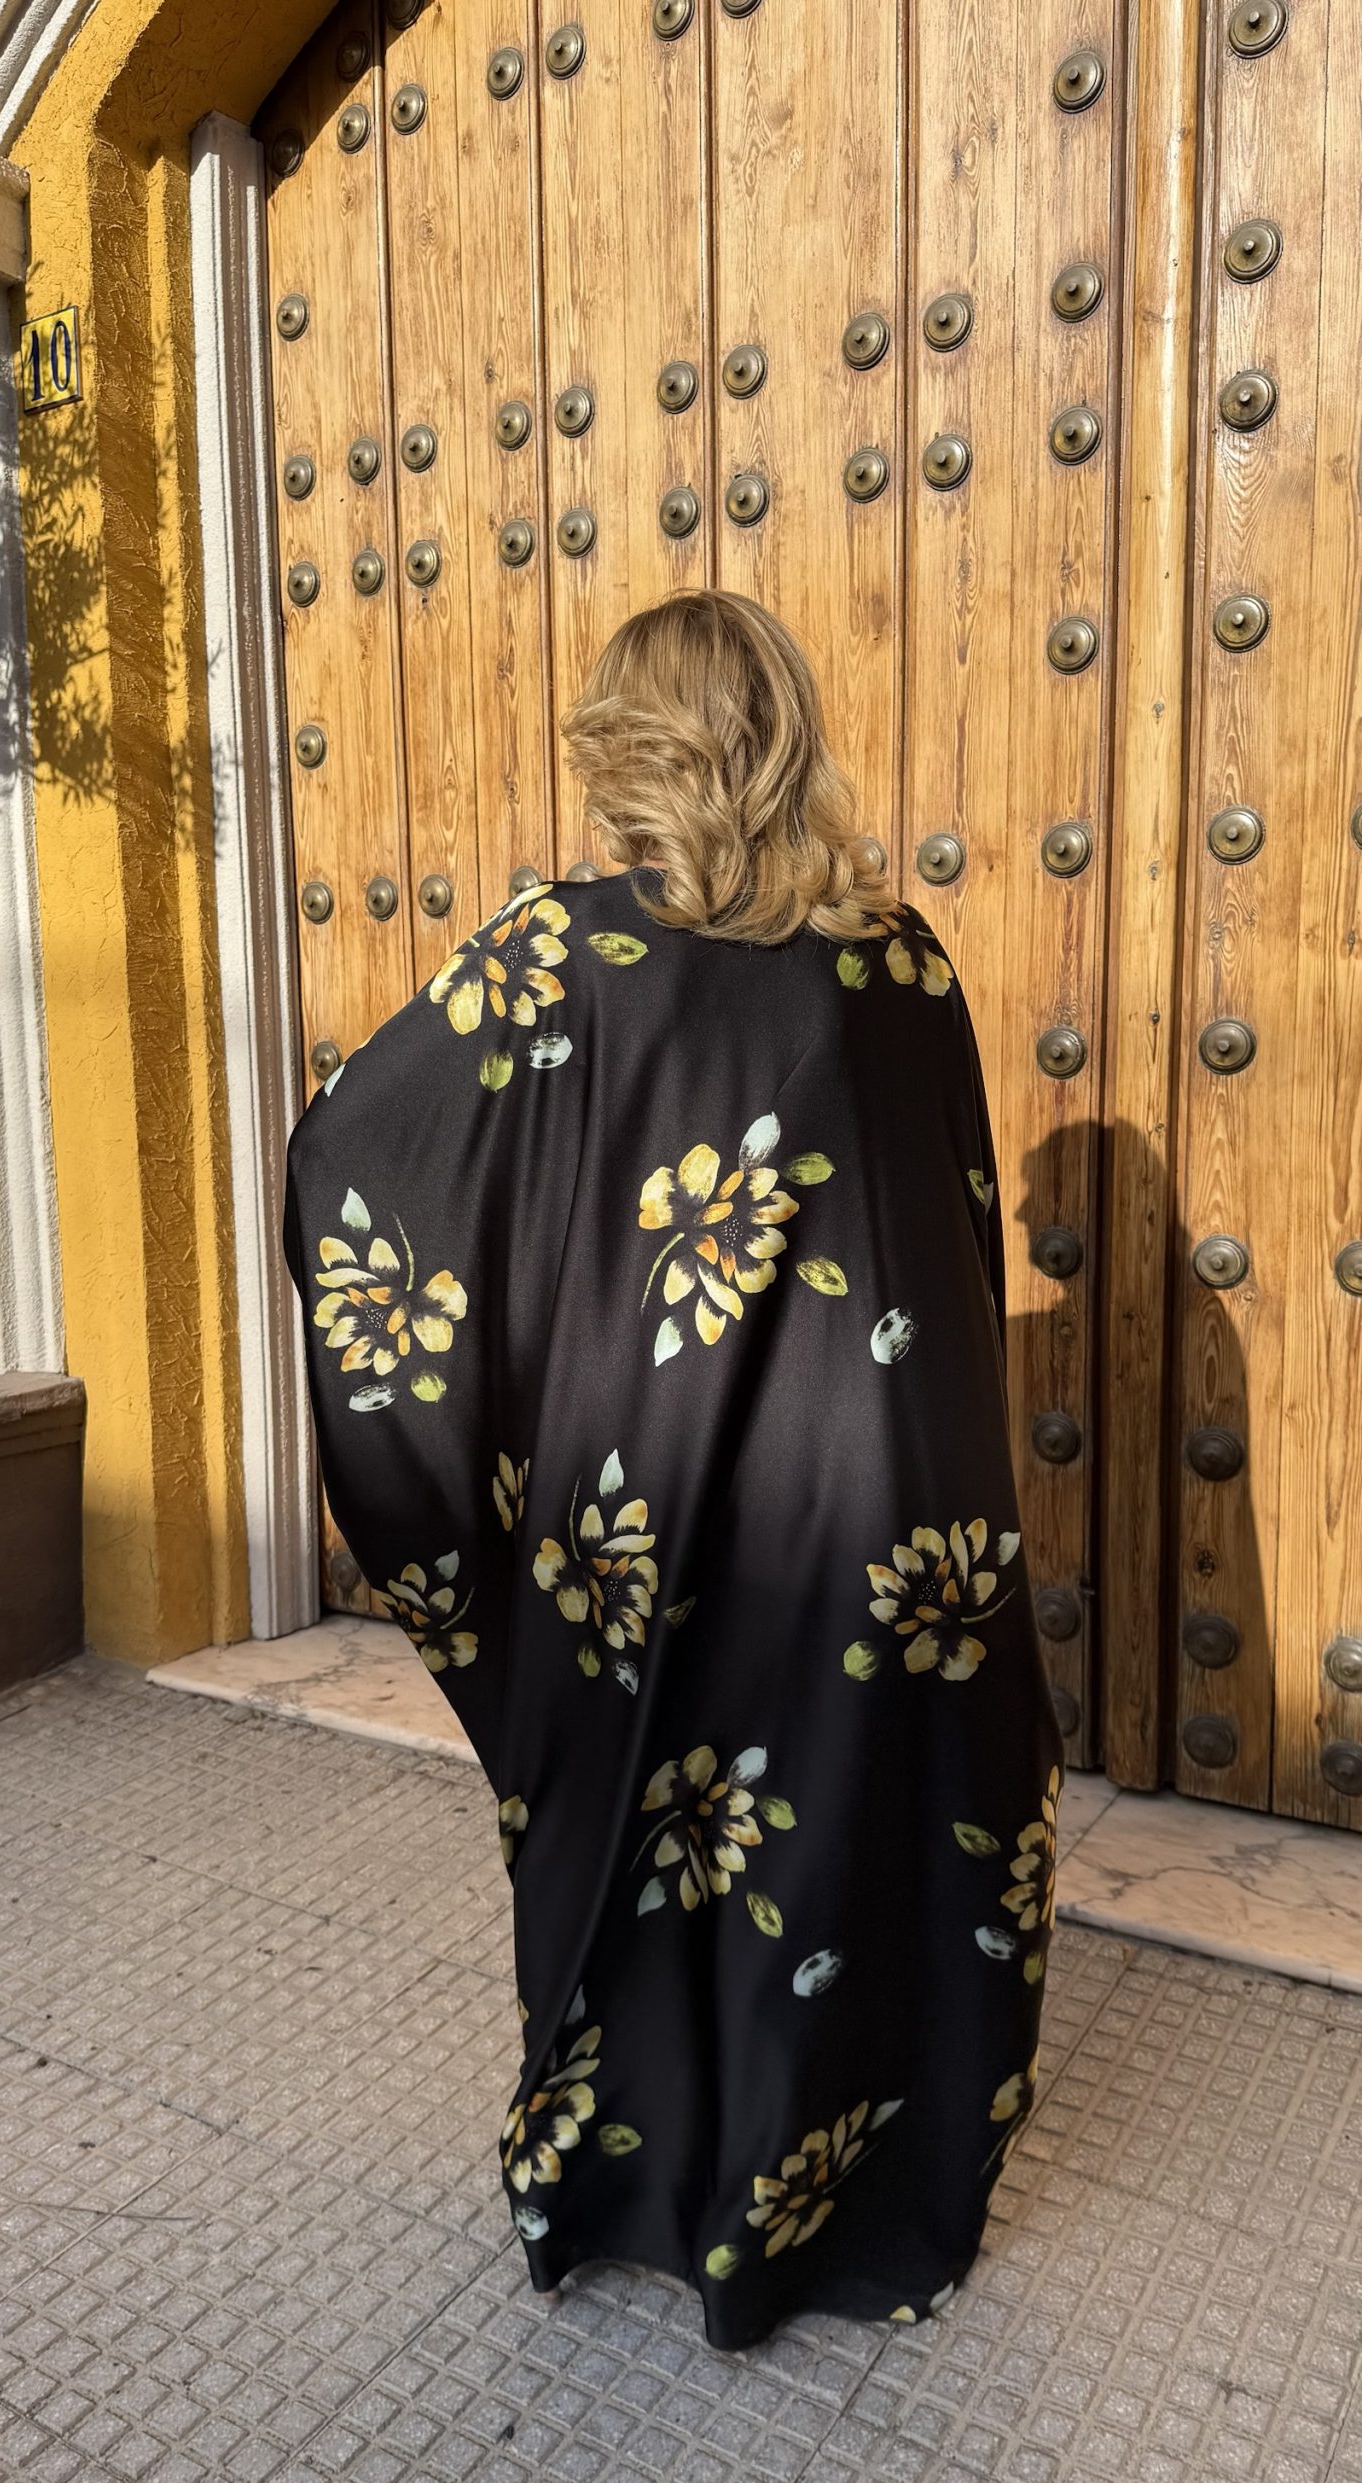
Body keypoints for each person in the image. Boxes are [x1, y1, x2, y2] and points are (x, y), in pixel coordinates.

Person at [282, 587, 1065, 2353]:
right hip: (881, 1507)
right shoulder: (898, 964)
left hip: (638, 1519)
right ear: (783, 735)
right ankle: (835, 2202)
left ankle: (635, 2184)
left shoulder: (559, 957)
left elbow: (353, 1164)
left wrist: (480, 1428)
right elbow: (947, 1251)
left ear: (626, 752)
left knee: (649, 1821)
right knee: (844, 1833)